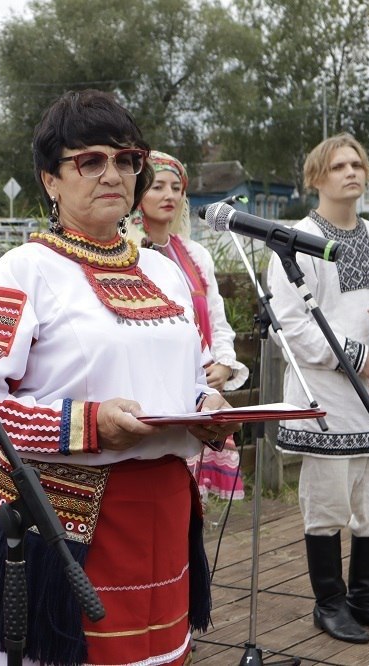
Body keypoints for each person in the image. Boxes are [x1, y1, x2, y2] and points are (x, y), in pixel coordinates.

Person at [0, 89, 239, 666]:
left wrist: (205, 405)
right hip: (66, 525)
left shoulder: (164, 271)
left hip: (165, 512)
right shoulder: (19, 274)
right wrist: (88, 424)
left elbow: (184, 376)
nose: (114, 174)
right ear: (51, 180)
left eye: (126, 159)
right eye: (90, 161)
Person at [266, 133, 369, 644]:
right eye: (338, 166)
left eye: (357, 164)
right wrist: (355, 358)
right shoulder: (294, 241)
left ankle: (365, 600)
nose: (351, 172)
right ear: (316, 178)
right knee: (327, 505)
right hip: (327, 397)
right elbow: (291, 325)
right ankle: (329, 604)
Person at [129, 150, 247, 502]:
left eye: (176, 188)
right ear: (138, 193)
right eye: (157, 186)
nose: (169, 195)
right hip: (156, 389)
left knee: (197, 503)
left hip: (202, 388)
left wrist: (224, 364)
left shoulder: (196, 255)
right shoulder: (128, 253)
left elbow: (216, 316)